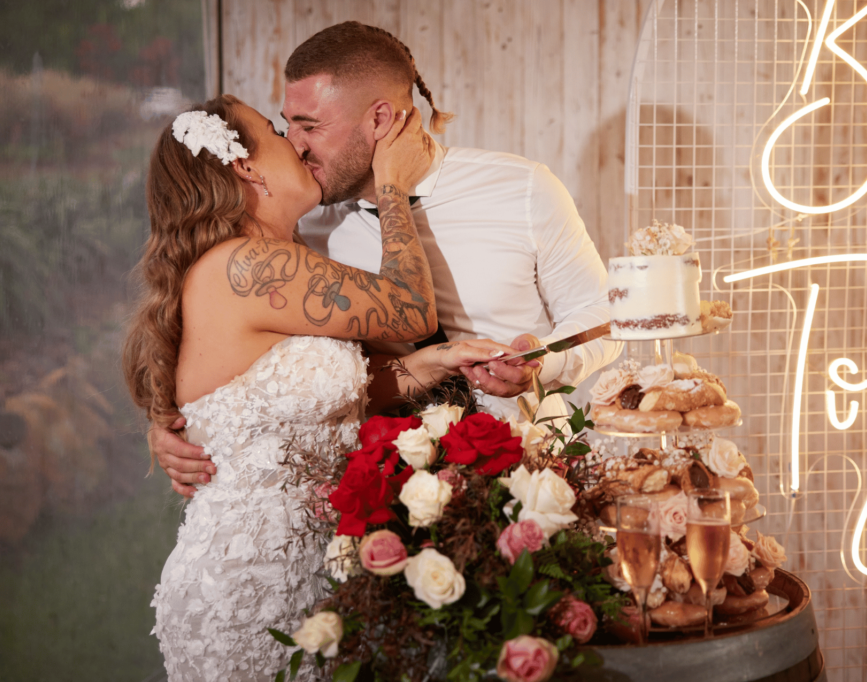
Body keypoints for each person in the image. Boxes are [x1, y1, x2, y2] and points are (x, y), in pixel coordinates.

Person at [123, 95, 530, 681]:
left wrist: (438, 360)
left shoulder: (275, 259)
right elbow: (411, 310)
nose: (295, 140)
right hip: (252, 584)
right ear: (246, 167)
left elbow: (340, 397)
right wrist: (394, 183)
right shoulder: (246, 266)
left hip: (315, 568)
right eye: (274, 130)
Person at [152, 21, 623, 498]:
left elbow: (602, 314)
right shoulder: (297, 231)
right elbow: (227, 355)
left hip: (534, 482)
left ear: (378, 120)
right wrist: (179, 423)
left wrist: (543, 364)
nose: (295, 143)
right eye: (286, 124)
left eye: (310, 125)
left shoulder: (521, 189)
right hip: (378, 507)